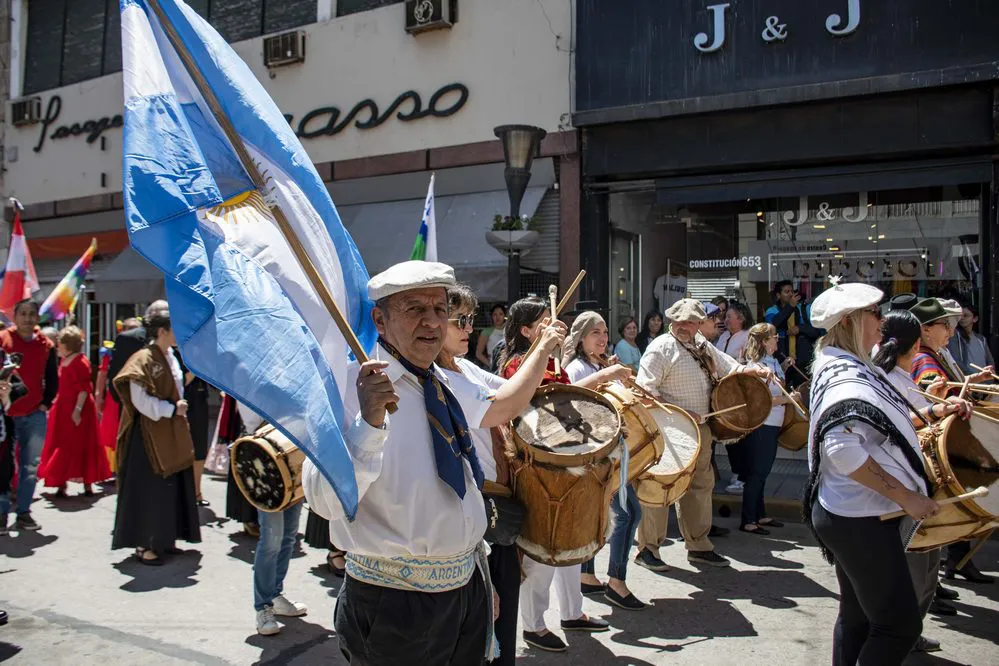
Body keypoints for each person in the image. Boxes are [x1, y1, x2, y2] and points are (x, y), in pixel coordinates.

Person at [303, 261, 563, 665]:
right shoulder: (347, 389)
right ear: (380, 320)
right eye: (414, 309)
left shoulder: (446, 383)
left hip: (467, 592)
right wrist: (367, 424)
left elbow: (462, 486)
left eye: (440, 309)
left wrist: (476, 572)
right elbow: (323, 501)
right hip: (394, 606)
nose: (432, 321)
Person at [803, 280, 958, 665]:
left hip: (851, 513)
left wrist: (935, 413)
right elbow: (841, 451)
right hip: (859, 519)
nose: (882, 322)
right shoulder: (845, 375)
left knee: (857, 619)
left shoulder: (842, 361)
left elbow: (879, 421)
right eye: (875, 313)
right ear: (853, 320)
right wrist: (906, 496)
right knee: (900, 626)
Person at [436, 284, 568, 664]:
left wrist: (547, 349)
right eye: (459, 320)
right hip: (478, 513)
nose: (468, 328)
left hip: (497, 508)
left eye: (469, 320)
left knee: (502, 617)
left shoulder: (462, 367)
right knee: (483, 629)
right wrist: (542, 348)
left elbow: (515, 389)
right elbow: (505, 404)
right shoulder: (440, 377)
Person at [499, 297, 621, 652]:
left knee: (573, 543)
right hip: (538, 469)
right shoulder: (518, 365)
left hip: (565, 463)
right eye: (543, 321)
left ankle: (572, 612)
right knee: (543, 551)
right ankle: (533, 626)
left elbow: (570, 402)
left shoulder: (553, 361)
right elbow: (528, 407)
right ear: (525, 330)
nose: (554, 324)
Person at [635, 299, 772, 571]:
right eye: (681, 321)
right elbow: (644, 393)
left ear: (699, 323)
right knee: (660, 486)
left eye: (691, 322)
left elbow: (730, 368)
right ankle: (647, 549)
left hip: (701, 430)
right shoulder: (660, 348)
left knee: (700, 486)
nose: (685, 326)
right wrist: (682, 412)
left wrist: (752, 370)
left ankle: (698, 545)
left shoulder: (702, 345)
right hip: (669, 430)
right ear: (672, 321)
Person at [872, 310, 973, 653]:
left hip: (916, 483)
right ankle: (897, 637)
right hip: (905, 487)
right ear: (916, 343)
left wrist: (940, 405)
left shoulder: (896, 376)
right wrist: (940, 409)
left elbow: (916, 414)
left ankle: (908, 632)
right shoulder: (884, 378)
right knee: (916, 570)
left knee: (928, 567)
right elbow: (903, 425)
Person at [907, 298, 995, 584]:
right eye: (945, 324)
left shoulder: (939, 353)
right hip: (938, 448)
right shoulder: (924, 358)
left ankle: (949, 566)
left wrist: (973, 380)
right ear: (926, 329)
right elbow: (931, 395)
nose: (951, 330)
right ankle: (938, 576)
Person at [564, 312, 647, 611]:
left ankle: (587, 576)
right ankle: (616, 583)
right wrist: (605, 376)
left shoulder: (597, 364)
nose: (602, 338)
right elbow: (571, 400)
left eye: (604, 332)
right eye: (595, 332)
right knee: (626, 514)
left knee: (604, 516)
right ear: (581, 338)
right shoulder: (575, 368)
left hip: (606, 456)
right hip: (591, 457)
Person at [111, 310, 200, 565]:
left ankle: (165, 539)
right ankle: (143, 544)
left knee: (170, 487)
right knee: (148, 490)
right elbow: (140, 401)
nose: (178, 334)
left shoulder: (171, 355)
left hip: (170, 432)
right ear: (162, 331)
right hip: (148, 438)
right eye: (174, 329)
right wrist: (171, 409)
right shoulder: (142, 359)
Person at [237, 402, 309, 636]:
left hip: (292, 453)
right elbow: (250, 416)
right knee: (271, 539)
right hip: (265, 458)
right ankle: (263, 607)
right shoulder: (253, 374)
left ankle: (275, 594)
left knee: (288, 535)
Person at [0, 299, 58, 532]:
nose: (27, 318)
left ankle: (23, 512)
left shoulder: (46, 345)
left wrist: (46, 402)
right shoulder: (3, 340)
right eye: (22, 313)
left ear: (37, 317)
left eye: (31, 314)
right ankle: (2, 514)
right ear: (15, 316)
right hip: (6, 415)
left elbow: (52, 377)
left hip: (35, 413)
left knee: (30, 465)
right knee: (3, 465)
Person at [37, 326, 110, 497]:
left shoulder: (81, 361)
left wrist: (77, 411)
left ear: (68, 344)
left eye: (60, 343)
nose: (58, 346)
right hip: (63, 408)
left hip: (78, 409)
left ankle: (87, 484)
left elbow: (84, 390)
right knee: (63, 443)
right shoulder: (65, 360)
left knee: (82, 444)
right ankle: (61, 484)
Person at [738, 323, 791, 534]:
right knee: (757, 472)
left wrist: (785, 368)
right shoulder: (757, 365)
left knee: (763, 472)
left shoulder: (772, 362)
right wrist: (787, 399)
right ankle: (748, 519)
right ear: (764, 341)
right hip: (764, 422)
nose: (777, 340)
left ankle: (759, 514)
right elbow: (761, 400)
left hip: (773, 422)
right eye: (774, 337)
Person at [96, 318, 142, 473]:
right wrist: (98, 396)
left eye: (134, 328)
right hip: (114, 397)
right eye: (128, 328)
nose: (131, 331)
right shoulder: (113, 350)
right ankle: (112, 467)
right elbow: (103, 374)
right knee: (111, 431)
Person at [106, 300, 170, 408]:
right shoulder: (128, 339)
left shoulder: (176, 341)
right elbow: (116, 375)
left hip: (169, 407)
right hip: (135, 409)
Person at [765, 281, 822, 386]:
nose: (791, 294)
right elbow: (774, 325)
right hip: (780, 360)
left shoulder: (804, 309)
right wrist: (789, 307)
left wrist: (800, 328)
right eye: (786, 292)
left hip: (802, 362)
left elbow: (817, 331)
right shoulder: (772, 311)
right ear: (778, 295)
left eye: (792, 291)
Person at [0, 352, 28, 536]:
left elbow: (21, 387)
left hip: (1, 432)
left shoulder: (3, 357)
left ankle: (1, 516)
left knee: (2, 473)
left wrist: (6, 394)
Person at [949, 303, 993, 377]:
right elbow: (956, 362)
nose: (962, 318)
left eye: (965, 315)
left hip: (985, 381)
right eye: (961, 316)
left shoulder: (981, 339)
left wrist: (990, 373)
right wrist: (975, 376)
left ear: (975, 319)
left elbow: (990, 361)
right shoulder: (954, 336)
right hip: (970, 381)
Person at [476, 304, 507, 371]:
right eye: (495, 315)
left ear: (504, 316)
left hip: (507, 365)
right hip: (492, 367)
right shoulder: (487, 331)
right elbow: (478, 353)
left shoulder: (508, 330)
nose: (497, 317)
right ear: (491, 317)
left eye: (500, 314)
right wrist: (490, 365)